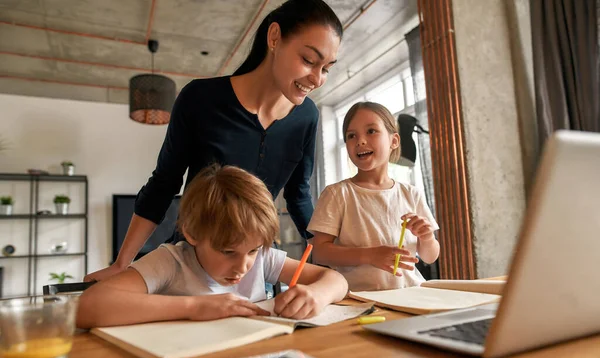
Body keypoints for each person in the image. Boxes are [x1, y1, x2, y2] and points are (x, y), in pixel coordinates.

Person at [85, 0, 343, 282]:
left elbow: (298, 196)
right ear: (274, 38)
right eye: (308, 60)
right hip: (191, 261)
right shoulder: (200, 98)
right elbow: (164, 183)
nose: (317, 79)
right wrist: (122, 263)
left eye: (327, 68)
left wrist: (330, 254)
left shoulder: (307, 116)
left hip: (252, 263)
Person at [77, 165, 348, 328]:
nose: (243, 266)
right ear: (193, 233)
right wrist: (194, 307)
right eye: (228, 251)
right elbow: (87, 307)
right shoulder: (171, 261)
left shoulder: (263, 258)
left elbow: (335, 280)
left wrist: (318, 295)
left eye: (252, 251)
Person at [307, 102, 440, 292]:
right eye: (351, 136)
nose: (360, 141)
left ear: (394, 141)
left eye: (371, 131)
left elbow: (429, 257)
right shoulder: (337, 194)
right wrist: (370, 255)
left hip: (410, 293)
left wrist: (426, 238)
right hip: (358, 299)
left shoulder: (411, 194)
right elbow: (320, 253)